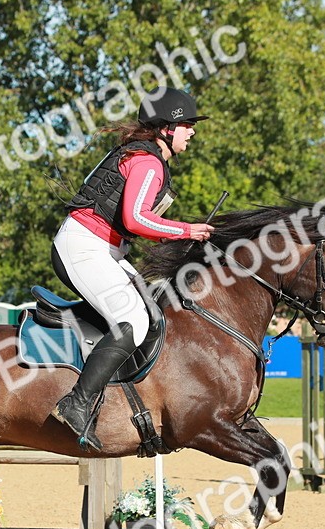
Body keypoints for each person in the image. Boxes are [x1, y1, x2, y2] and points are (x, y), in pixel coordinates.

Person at [51, 86, 215, 450]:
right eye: (187, 124)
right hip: (83, 249)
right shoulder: (148, 161)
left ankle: (132, 403)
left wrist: (177, 235)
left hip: (103, 250)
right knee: (134, 321)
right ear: (166, 128)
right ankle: (76, 403)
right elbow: (137, 218)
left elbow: (135, 222)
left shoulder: (147, 157)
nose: (193, 131)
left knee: (154, 315)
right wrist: (187, 230)